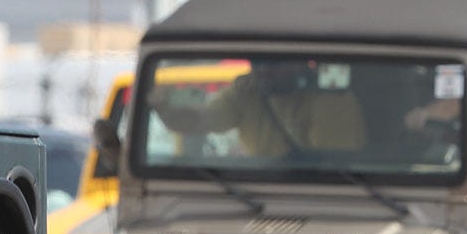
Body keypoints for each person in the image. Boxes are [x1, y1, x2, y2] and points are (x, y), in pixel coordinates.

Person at [148, 61, 364, 159]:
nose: (263, 70)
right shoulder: (247, 92)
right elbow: (202, 120)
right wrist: (163, 110)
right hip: (258, 193)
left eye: (274, 62)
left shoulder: (332, 99)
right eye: (257, 61)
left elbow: (328, 166)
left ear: (301, 62)